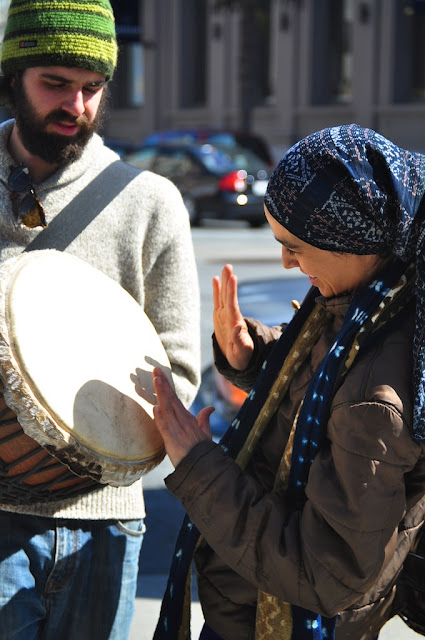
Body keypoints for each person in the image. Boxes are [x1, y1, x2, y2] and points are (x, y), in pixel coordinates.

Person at [151, 123, 425, 640]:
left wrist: (197, 465)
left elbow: (325, 569)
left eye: (294, 246)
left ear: (354, 240)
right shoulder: (374, 303)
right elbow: (327, 381)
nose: (285, 261)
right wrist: (255, 354)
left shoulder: (376, 398)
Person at [0, 1, 200, 639]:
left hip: (108, 527)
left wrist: (77, 447)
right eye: (55, 83)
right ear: (14, 75)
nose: (77, 106)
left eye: (92, 88)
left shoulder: (151, 203)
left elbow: (182, 371)